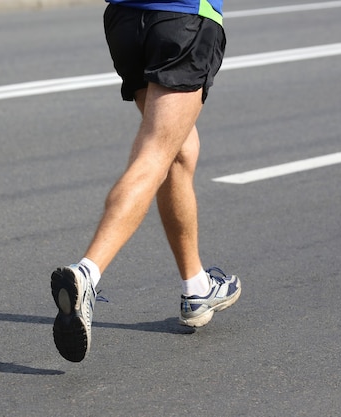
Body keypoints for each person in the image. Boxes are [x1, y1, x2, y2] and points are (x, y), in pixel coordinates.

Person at [50, 0, 242, 363]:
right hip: (183, 15)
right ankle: (87, 273)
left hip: (126, 19)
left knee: (180, 151)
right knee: (155, 154)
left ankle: (197, 287)